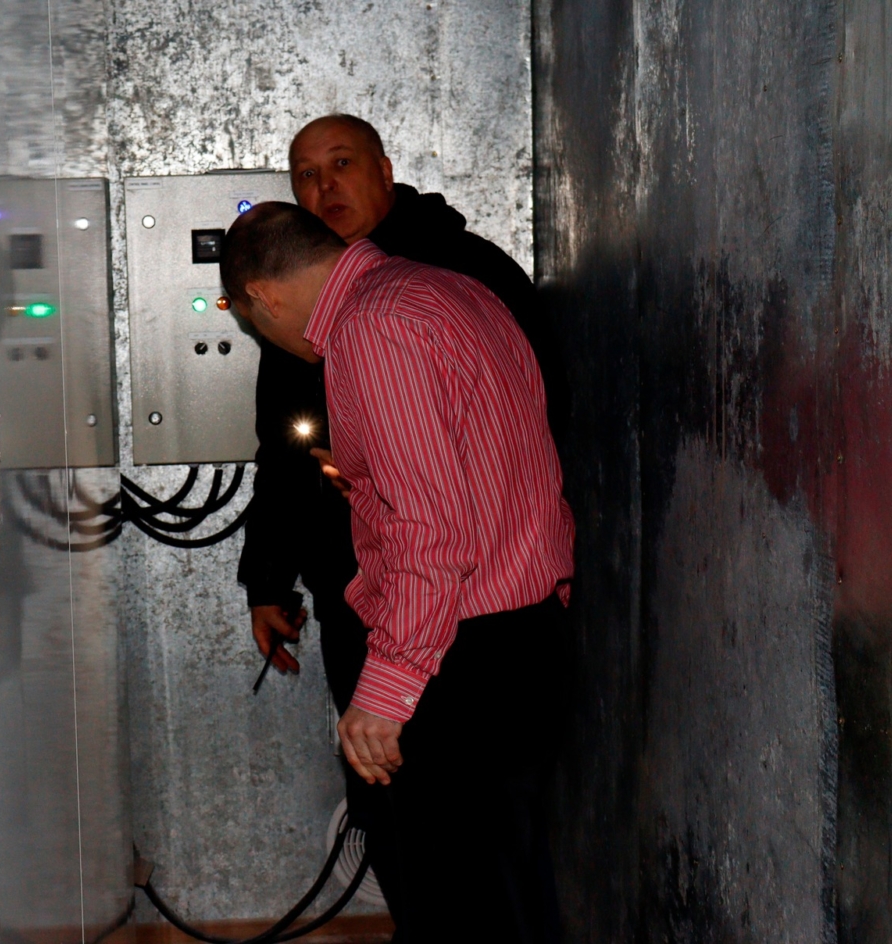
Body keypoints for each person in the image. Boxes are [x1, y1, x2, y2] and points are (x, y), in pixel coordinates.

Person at [235, 115, 568, 929]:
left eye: (256, 322)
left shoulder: (373, 329)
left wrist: (387, 691)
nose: (282, 341)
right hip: (518, 632)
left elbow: (430, 532)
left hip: (459, 651)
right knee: (505, 894)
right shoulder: (442, 288)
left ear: (265, 299)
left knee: (450, 902)